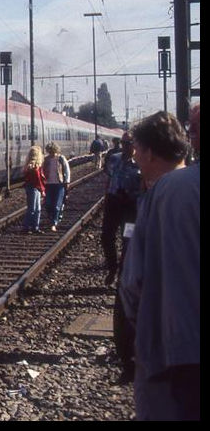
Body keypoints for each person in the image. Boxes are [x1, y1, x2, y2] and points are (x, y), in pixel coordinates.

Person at [120, 108, 197, 420]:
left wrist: (142, 331)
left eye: (137, 149)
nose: (134, 156)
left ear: (150, 152)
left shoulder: (163, 193)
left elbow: (133, 283)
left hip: (175, 349)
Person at [102, 133, 142, 283]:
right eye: (123, 143)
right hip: (113, 203)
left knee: (128, 239)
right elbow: (108, 177)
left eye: (128, 143)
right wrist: (108, 194)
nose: (124, 146)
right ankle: (112, 267)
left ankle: (122, 273)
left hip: (130, 207)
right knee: (106, 236)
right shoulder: (114, 158)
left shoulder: (141, 162)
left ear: (135, 144)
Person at [42, 142, 70, 232]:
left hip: (59, 184)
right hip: (48, 185)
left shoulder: (61, 158)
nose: (51, 153)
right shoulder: (46, 160)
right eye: (50, 152)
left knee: (57, 205)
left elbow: (67, 170)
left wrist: (67, 182)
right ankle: (52, 218)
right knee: (48, 204)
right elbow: (42, 170)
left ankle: (53, 223)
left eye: (53, 151)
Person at [21, 145, 46, 233]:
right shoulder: (34, 168)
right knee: (33, 209)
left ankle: (35, 226)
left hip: (34, 188)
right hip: (34, 189)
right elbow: (38, 180)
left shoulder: (31, 166)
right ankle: (27, 227)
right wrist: (42, 190)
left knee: (36, 209)